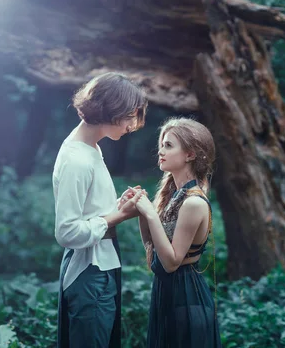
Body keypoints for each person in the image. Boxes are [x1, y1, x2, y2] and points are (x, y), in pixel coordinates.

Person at [53, 72, 148, 348]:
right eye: (130, 116)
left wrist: (118, 206)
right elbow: (67, 231)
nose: (132, 125)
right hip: (90, 271)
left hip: (101, 265)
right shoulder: (78, 159)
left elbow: (89, 211)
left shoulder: (90, 148)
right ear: (111, 108)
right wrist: (121, 215)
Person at [121, 117, 222, 347]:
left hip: (186, 298)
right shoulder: (176, 197)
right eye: (161, 145)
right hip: (168, 293)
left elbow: (171, 262)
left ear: (190, 154)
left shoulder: (194, 202)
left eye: (168, 145)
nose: (160, 151)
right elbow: (152, 245)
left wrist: (150, 214)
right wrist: (142, 209)